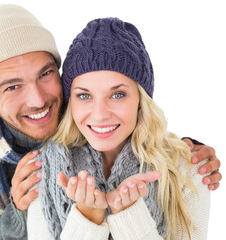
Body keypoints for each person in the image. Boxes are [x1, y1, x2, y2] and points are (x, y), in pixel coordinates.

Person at [0, 4, 220, 239]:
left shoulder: (77, 107)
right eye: (12, 86)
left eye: (45, 74)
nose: (38, 100)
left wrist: (183, 153)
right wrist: (20, 215)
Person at [37, 17, 211, 239]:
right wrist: (87, 217)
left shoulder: (189, 169)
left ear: (141, 98)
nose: (99, 114)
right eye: (84, 95)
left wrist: (129, 216)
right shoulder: (42, 167)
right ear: (71, 101)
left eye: (118, 94)